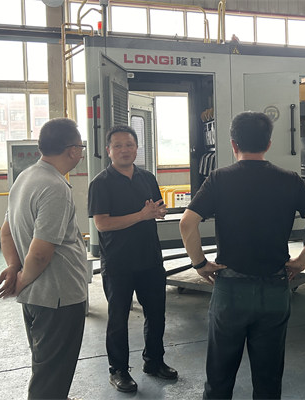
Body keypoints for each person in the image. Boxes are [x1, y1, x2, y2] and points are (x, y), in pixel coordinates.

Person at [179, 111, 305, 399]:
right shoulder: (289, 180)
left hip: (230, 290)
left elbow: (187, 223)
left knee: (219, 377)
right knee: (268, 379)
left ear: (233, 143)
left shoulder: (219, 178)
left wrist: (200, 264)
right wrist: (301, 261)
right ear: (269, 143)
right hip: (274, 289)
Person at [0, 117, 88, 399]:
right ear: (73, 151)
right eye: (81, 147)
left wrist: (14, 267)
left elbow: (6, 231)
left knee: (45, 365)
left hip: (37, 296)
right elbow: (40, 252)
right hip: (58, 297)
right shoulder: (55, 187)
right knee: (51, 377)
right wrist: (21, 279)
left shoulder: (25, 177)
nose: (81, 152)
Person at [88, 125, 177, 393]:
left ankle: (154, 361)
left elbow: (158, 209)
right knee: (118, 319)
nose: (124, 150)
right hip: (119, 263)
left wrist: (158, 212)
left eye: (129, 145)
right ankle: (118, 370)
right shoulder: (100, 183)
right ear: (108, 151)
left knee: (156, 314)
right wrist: (141, 215)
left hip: (150, 259)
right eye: (118, 146)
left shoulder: (147, 178)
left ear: (137, 148)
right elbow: (102, 224)